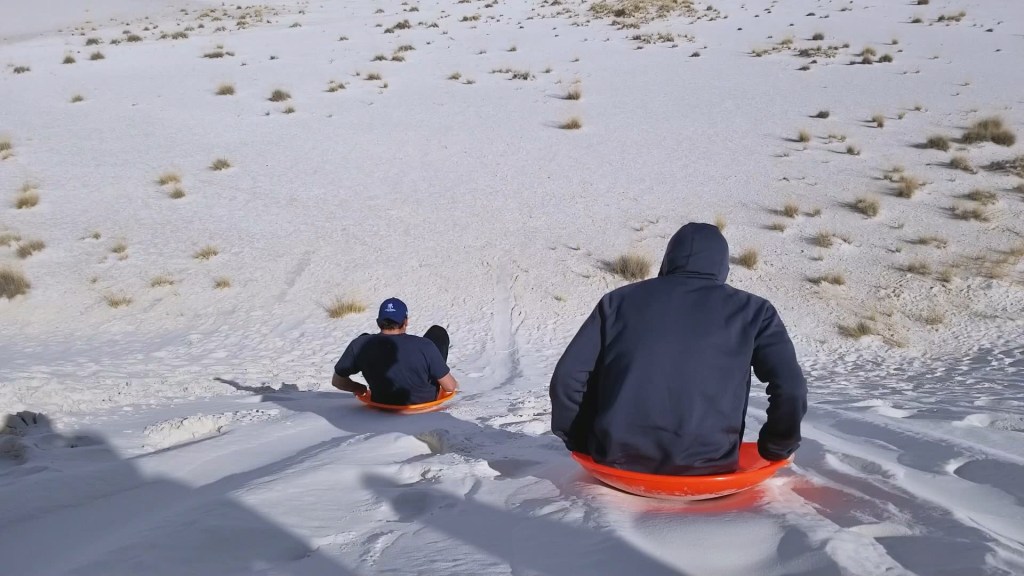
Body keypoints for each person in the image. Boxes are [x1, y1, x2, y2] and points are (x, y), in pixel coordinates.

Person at [549, 223, 807, 475]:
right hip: (707, 469)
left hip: (616, 463)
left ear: (669, 258)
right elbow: (790, 387)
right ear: (723, 265)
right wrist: (777, 447)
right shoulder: (755, 311)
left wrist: (582, 441)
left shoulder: (617, 302)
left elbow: (567, 378)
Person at [332, 297, 458, 405]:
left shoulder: (359, 344)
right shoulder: (424, 346)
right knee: (437, 333)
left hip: (381, 402)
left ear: (378, 322)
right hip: (424, 402)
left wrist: (359, 388)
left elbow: (337, 381)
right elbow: (450, 386)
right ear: (405, 321)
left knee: (366, 339)